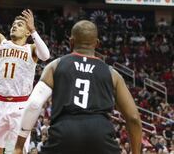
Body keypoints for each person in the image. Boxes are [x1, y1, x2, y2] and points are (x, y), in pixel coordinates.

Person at [13, 20, 142, 154]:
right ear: (97, 43)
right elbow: (133, 118)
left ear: (71, 42)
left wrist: (18, 146)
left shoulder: (55, 66)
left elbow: (34, 104)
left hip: (64, 132)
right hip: (100, 134)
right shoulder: (112, 74)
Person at [0, 0, 50, 153]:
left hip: (20, 106)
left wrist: (34, 30)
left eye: (19, 25)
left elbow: (46, 55)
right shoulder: (0, 42)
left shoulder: (32, 48)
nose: (14, 26)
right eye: (13, 24)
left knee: (15, 151)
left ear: (27, 31)